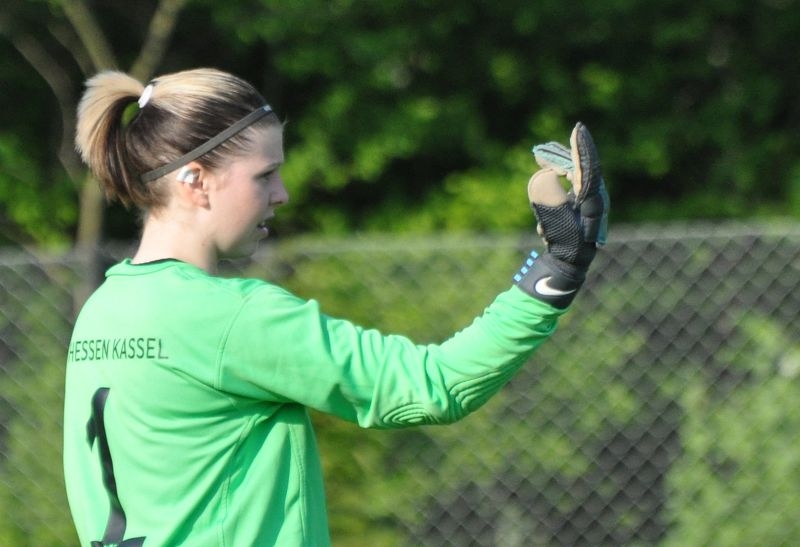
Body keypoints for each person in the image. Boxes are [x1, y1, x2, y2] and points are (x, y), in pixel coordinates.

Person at [63, 67, 609, 546]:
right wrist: (559, 267)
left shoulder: (102, 310)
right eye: (264, 175)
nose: (282, 194)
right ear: (196, 181)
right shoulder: (232, 315)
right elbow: (431, 387)